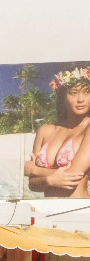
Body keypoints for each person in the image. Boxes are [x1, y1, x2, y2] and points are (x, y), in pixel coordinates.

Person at [24, 65, 90, 198]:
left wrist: (33, 169)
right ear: (63, 96)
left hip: (78, 211)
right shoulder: (45, 131)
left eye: (87, 92)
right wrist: (50, 180)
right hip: (47, 211)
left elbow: (72, 177)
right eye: (73, 92)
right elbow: (32, 184)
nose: (81, 99)